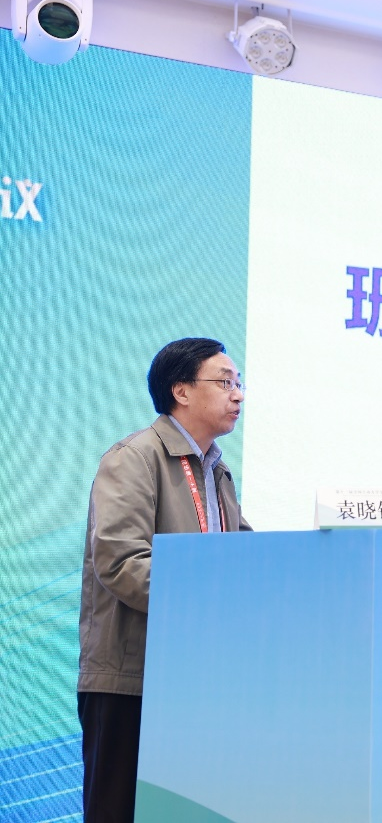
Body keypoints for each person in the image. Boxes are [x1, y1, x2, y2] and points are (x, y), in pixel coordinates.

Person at [77, 338, 251, 822]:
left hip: (195, 676)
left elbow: (245, 558)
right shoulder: (134, 457)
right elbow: (121, 562)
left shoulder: (217, 471)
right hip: (132, 680)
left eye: (239, 383)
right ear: (181, 391)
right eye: (225, 382)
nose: (238, 394)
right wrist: (211, 603)